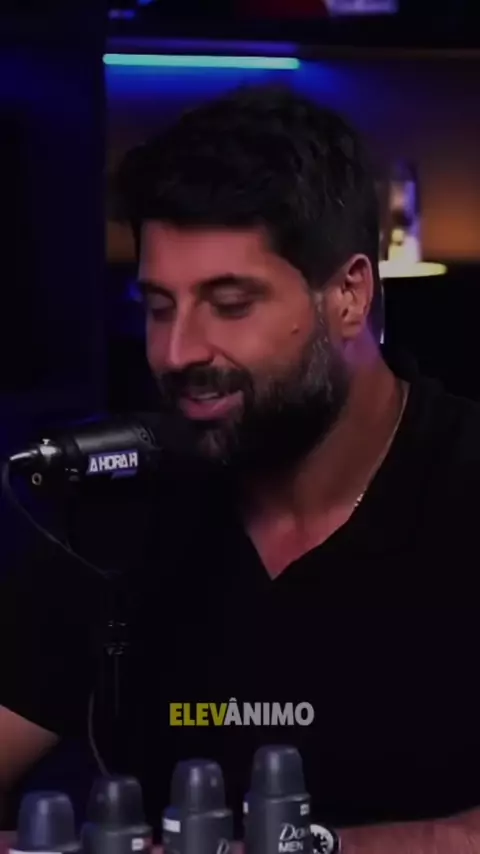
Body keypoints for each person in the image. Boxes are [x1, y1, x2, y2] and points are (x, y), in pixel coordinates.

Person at [1, 83, 480, 853]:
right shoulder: (122, 506)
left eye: (230, 304)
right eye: (159, 306)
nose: (177, 352)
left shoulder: (462, 481)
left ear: (349, 295)